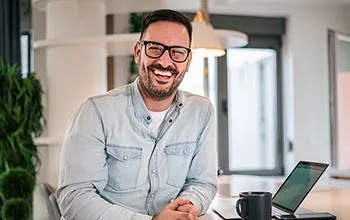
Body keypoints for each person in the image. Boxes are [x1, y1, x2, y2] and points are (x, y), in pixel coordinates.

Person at [57, 9, 218, 220]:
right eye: (155, 48)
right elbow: (74, 198)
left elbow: (202, 183)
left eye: (177, 52)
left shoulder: (201, 111)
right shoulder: (95, 112)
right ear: (137, 51)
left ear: (187, 62)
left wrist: (187, 207)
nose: (165, 62)